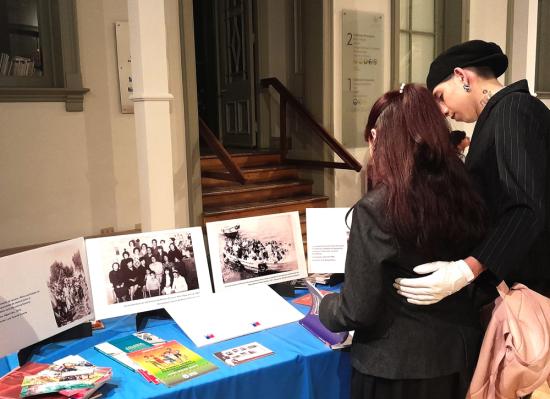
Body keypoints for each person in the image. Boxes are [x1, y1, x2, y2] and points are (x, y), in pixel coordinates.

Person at [319, 83, 487, 399]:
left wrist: (325, 308)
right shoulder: (465, 193)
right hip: (458, 356)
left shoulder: (377, 208)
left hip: (394, 368)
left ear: (375, 138)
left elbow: (358, 309)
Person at [394, 40, 550, 308]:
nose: (442, 111)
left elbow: (525, 208)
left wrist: (467, 270)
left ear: (462, 77)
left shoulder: (512, 109)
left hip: (532, 287)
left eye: (440, 96)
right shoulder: (497, 116)